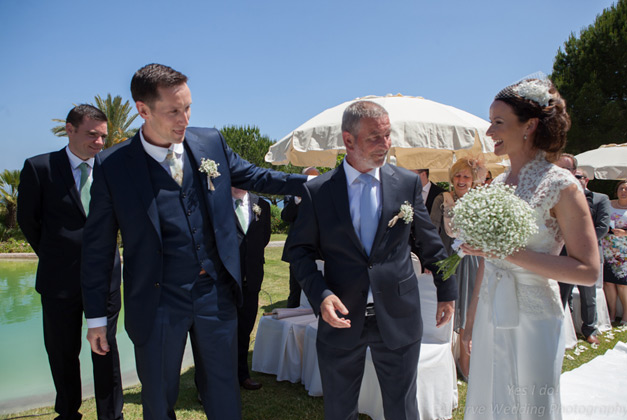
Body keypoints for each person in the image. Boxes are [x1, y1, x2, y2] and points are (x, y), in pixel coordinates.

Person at [80, 63, 307, 420]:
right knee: (158, 397)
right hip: (156, 302)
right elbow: (97, 245)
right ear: (143, 110)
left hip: (214, 295)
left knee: (224, 393)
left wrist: (312, 185)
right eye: (173, 111)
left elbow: (256, 175)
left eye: (188, 107)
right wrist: (95, 318)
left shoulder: (210, 142)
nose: (184, 119)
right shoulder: (113, 166)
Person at [289, 100, 457, 420]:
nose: (385, 145)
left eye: (388, 135)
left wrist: (446, 288)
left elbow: (429, 242)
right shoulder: (318, 192)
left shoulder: (406, 183)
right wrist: (320, 295)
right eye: (374, 138)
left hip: (397, 317)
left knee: (402, 410)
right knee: (339, 411)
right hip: (341, 319)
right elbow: (299, 252)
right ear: (348, 140)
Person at [461, 78, 599, 420]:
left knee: (531, 403)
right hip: (492, 308)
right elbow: (487, 264)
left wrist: (505, 251)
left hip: (534, 315)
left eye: (498, 122)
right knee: (489, 398)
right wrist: (469, 321)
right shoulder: (497, 185)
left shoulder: (561, 185)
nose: (490, 131)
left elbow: (589, 271)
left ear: (530, 126)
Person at [17, 105, 123, 420]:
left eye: (103, 135)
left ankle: (110, 416)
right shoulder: (39, 168)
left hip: (105, 279)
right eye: (93, 134)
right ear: (70, 129)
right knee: (62, 353)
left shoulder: (114, 170)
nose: (100, 142)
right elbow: (28, 221)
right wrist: (56, 254)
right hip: (58, 279)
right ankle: (67, 413)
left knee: (106, 350)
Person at [429, 157, 482, 380]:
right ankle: (445, 362)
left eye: (466, 177)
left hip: (472, 261)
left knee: (470, 306)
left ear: (473, 180)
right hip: (447, 261)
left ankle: (466, 360)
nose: (461, 180)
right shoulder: (442, 199)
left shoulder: (481, 201)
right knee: (447, 306)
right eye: (458, 176)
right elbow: (431, 232)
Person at [555, 155, 611, 344]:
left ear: (584, 179)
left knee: (589, 296)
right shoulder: (556, 197)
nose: (575, 179)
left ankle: (590, 330)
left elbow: (602, 228)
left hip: (588, 255)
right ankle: (562, 328)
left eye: (579, 176)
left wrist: (579, 244)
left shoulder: (600, 199)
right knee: (562, 293)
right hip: (562, 254)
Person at [232, 187, 271, 390]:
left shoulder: (262, 204)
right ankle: (212, 381)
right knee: (221, 333)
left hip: (252, 279)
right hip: (226, 280)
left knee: (245, 329)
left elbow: (264, 237)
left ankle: (242, 375)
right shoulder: (218, 201)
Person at [281, 166, 320, 308]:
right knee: (296, 291)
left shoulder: (322, 194)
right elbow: (286, 216)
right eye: (309, 178)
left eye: (315, 179)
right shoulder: (291, 195)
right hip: (297, 251)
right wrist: (297, 199)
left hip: (320, 252)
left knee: (317, 291)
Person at [601, 179, 627, 325]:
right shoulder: (608, 204)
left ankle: (626, 315)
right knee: (609, 283)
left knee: (624, 285)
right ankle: (611, 314)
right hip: (608, 249)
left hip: (626, 253)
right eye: (621, 188)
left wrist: (625, 233)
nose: (624, 191)